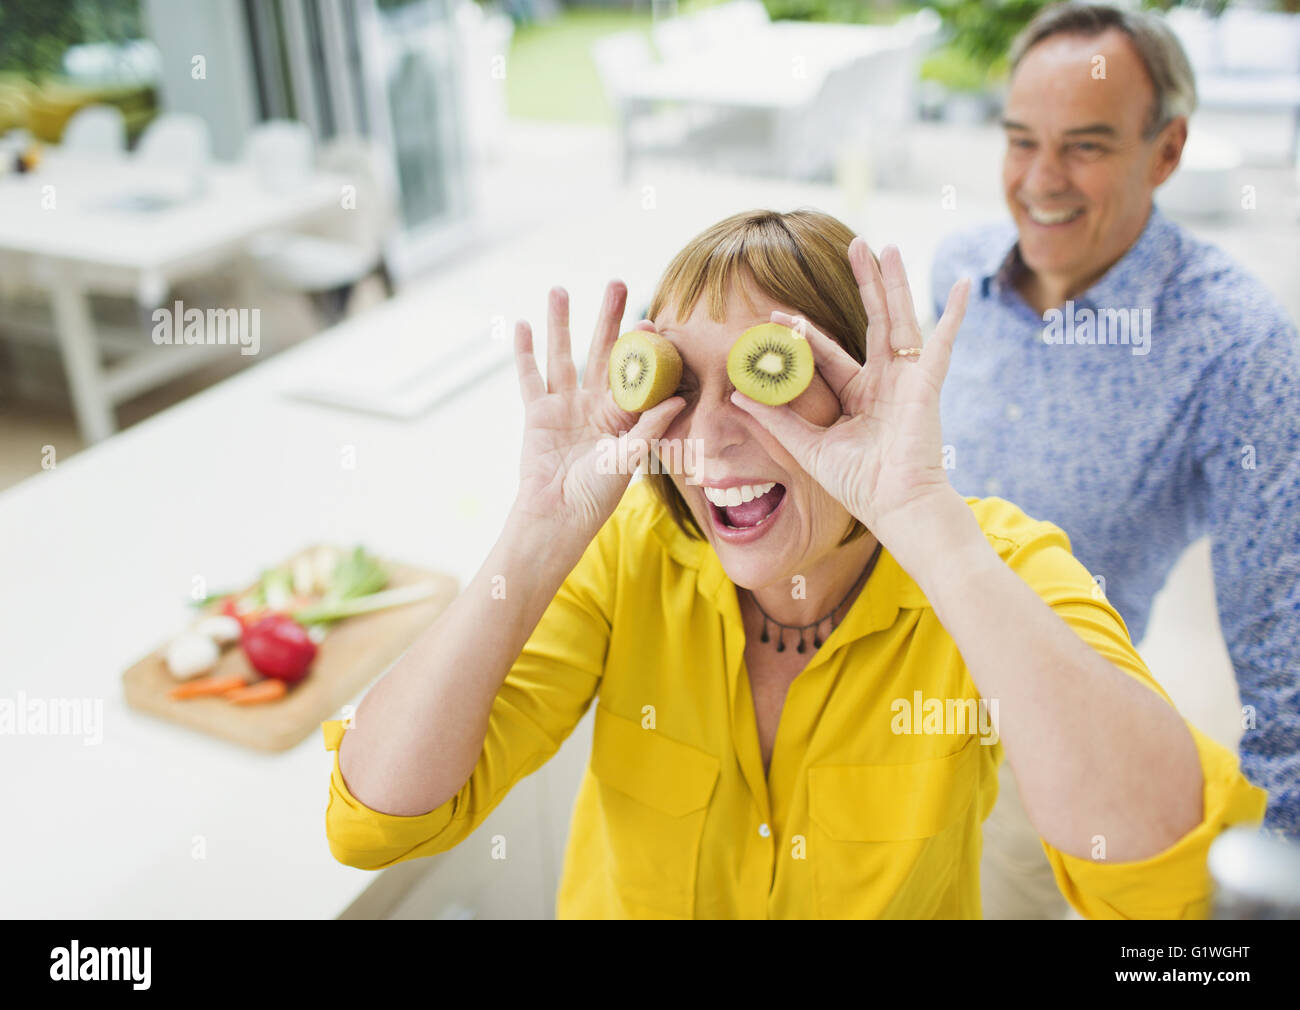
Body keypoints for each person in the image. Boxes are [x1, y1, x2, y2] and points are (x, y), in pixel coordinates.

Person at [321, 208, 1265, 918]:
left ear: (863, 386)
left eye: (768, 376)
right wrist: (534, 533)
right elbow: (376, 818)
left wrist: (918, 513)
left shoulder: (989, 560)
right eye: (679, 383)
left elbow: (1166, 878)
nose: (713, 437)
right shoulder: (627, 555)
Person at [930, 3, 1300, 918]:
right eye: (1020, 140)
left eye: (1086, 147)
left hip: (1030, 750)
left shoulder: (1236, 345)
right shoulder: (956, 268)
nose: (1040, 180)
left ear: (1167, 150)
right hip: (854, 695)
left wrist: (1271, 879)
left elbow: (1280, 651)